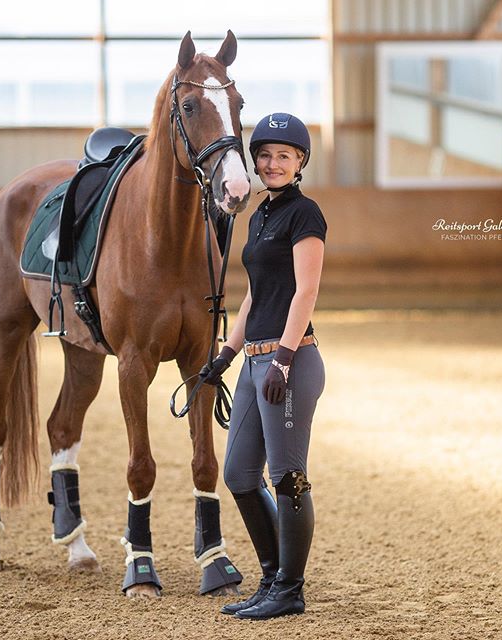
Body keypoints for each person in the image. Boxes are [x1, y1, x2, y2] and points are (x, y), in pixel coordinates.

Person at [200, 112, 327, 619]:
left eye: (285, 156)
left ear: (299, 163)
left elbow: (306, 290)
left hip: (289, 362)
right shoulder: (259, 217)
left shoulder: (305, 214)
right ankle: (273, 577)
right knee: (238, 474)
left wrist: (284, 358)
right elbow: (255, 295)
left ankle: (289, 590)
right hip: (254, 363)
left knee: (288, 476)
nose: (273, 164)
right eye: (266, 155)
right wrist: (226, 355)